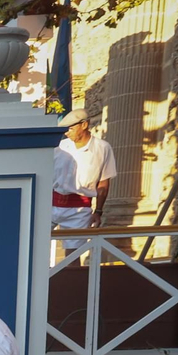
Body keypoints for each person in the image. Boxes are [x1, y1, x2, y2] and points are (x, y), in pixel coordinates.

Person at [52, 108, 117, 254]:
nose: (67, 133)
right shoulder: (59, 147)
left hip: (79, 208)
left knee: (73, 255)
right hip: (51, 203)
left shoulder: (102, 148)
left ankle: (72, 277)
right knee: (32, 245)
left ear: (84, 125)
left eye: (70, 128)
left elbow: (103, 183)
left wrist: (98, 211)